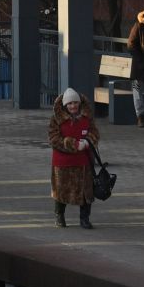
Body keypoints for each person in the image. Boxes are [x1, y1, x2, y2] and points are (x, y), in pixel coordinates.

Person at [49, 88, 100, 228]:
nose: (73, 106)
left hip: (84, 161)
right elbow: (54, 138)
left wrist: (87, 142)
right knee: (61, 191)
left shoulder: (87, 118)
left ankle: (85, 219)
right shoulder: (56, 119)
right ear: (65, 105)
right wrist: (73, 144)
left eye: (75, 103)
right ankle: (59, 216)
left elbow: (94, 133)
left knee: (86, 192)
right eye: (70, 103)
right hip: (63, 162)